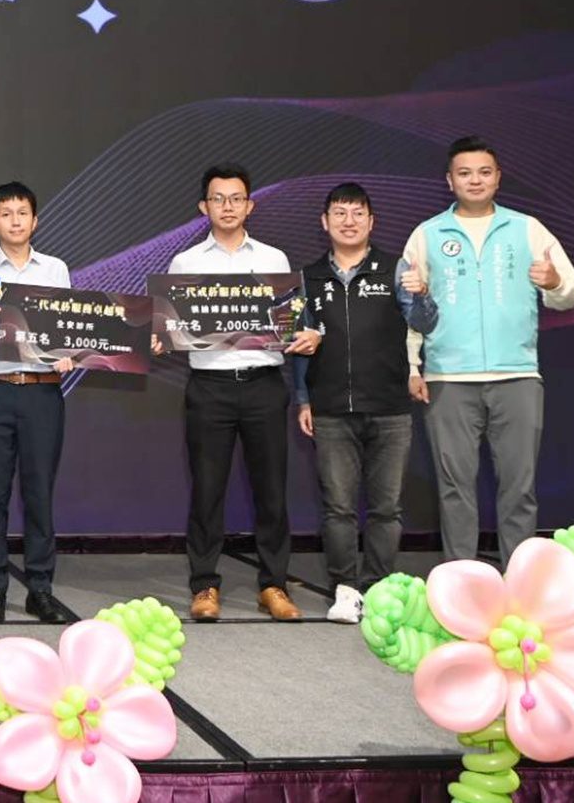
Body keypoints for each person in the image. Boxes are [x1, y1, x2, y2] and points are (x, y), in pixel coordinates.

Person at [403, 136, 574, 563]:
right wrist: (413, 366)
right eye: (464, 173)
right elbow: (410, 308)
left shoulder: (528, 228)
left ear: (498, 178)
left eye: (484, 172)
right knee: (454, 488)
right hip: (448, 378)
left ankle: (518, 579)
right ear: (449, 181)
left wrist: (555, 282)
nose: (475, 180)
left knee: (519, 487)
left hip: (517, 375)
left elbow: (571, 293)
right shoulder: (427, 234)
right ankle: (462, 579)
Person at [153, 163, 313, 623]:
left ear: (250, 205)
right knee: (207, 491)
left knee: (271, 491)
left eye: (236, 198)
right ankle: (204, 585)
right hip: (210, 389)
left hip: (264, 385)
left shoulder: (274, 260)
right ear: (203, 207)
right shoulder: (185, 264)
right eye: (218, 199)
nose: (228, 206)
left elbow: (290, 322)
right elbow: (170, 328)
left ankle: (273, 585)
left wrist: (302, 333)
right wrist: (160, 335)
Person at [293, 183, 438, 623]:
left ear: (372, 221)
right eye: (340, 213)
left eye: (358, 213)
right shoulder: (308, 277)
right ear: (325, 222)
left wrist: (423, 293)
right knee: (337, 507)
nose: (349, 221)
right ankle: (345, 589)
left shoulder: (395, 268)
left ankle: (377, 587)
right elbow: (300, 343)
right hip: (331, 408)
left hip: (390, 408)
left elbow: (425, 321)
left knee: (386, 509)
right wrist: (303, 399)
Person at [0, 182, 80, 624]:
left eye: (22, 212)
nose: (15, 220)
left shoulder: (55, 270)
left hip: (42, 392)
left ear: (35, 220)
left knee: (39, 493)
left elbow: (66, 330)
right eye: (6, 213)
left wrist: (68, 353)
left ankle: (40, 589)